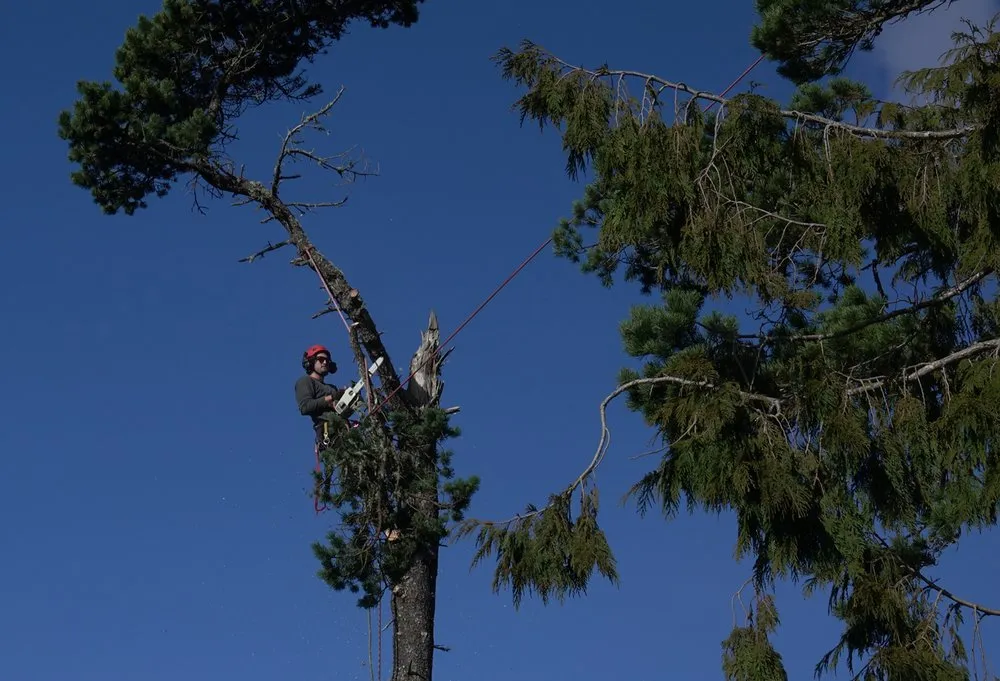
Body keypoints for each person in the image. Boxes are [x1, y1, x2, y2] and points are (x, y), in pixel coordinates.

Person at [295, 344, 344, 448]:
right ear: (311, 362)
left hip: (343, 427)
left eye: (327, 360)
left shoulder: (331, 387)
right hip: (328, 430)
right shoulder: (305, 381)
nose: (325, 362)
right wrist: (331, 397)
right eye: (321, 359)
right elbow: (305, 407)